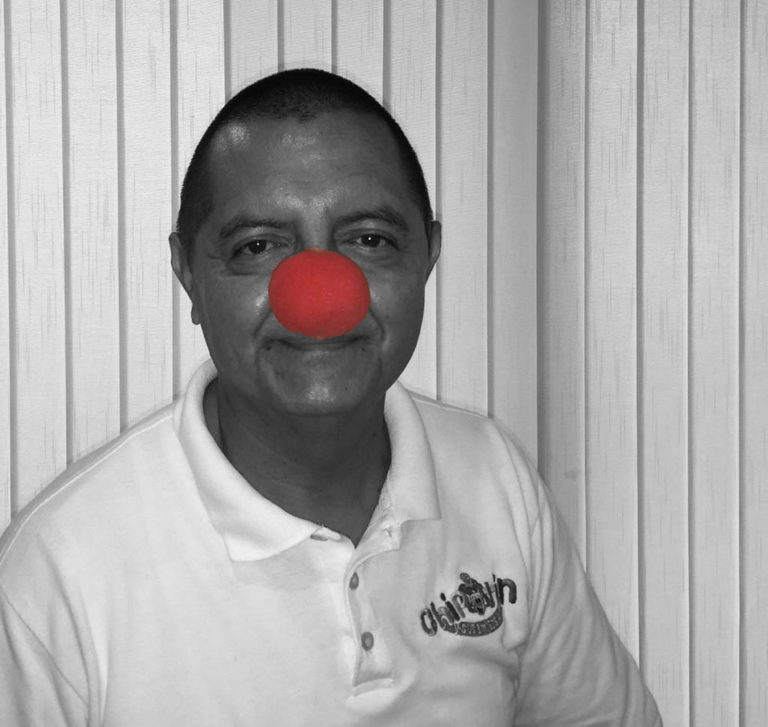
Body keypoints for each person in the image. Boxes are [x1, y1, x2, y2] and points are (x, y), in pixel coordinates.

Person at [0, 68, 662, 726]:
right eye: (258, 246)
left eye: (369, 239)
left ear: (427, 256)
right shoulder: (59, 569)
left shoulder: (495, 477)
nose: (319, 297)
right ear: (188, 274)